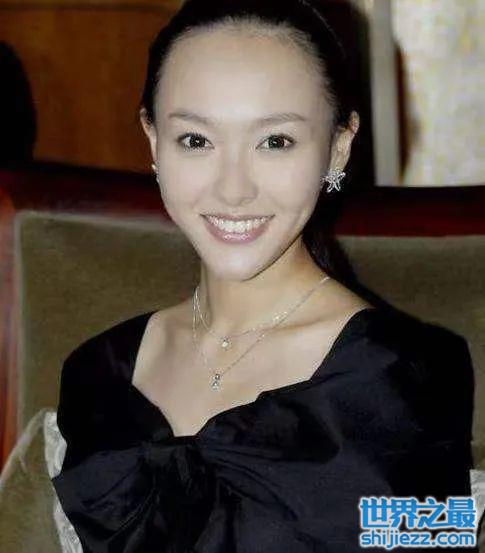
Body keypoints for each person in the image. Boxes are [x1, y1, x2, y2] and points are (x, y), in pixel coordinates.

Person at [51, 0, 477, 551]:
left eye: (275, 142)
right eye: (196, 140)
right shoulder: (96, 376)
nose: (233, 190)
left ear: (339, 148)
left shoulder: (405, 380)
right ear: (154, 141)